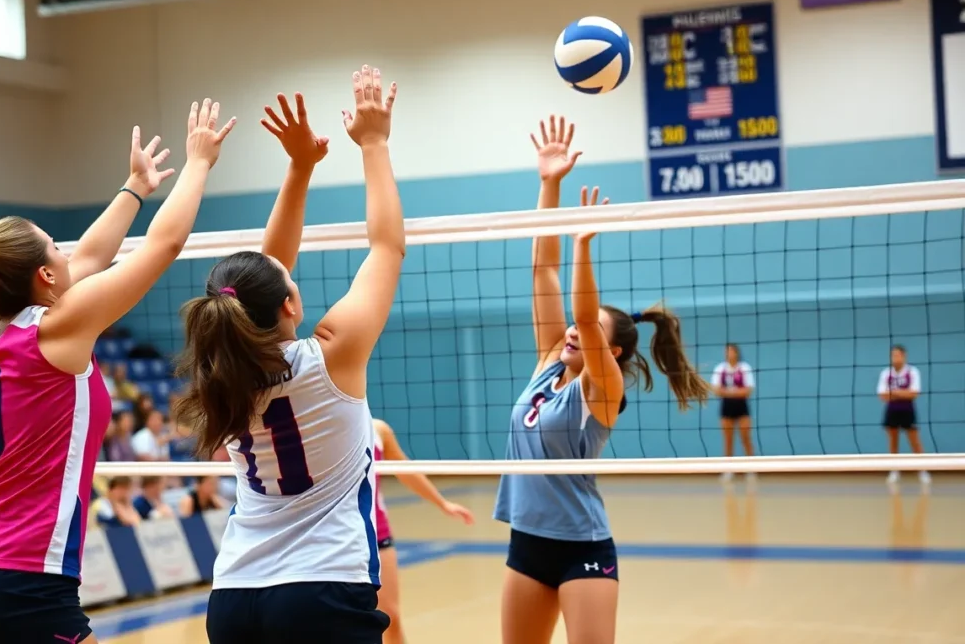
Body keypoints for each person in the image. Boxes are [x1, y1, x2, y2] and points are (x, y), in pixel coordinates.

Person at [0, 97, 235, 644]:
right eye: (57, 248)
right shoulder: (57, 333)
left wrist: (134, 189)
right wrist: (198, 164)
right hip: (20, 576)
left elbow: (86, 264)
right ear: (47, 277)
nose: (69, 254)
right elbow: (164, 244)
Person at [173, 66, 403, 644]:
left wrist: (300, 168)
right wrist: (373, 143)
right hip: (324, 590)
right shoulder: (331, 355)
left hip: (234, 594)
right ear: (291, 306)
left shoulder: (218, 375)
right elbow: (387, 245)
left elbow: (265, 276)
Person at [495, 117, 709, 644]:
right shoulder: (550, 360)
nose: (570, 331)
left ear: (609, 352)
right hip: (527, 542)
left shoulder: (601, 391)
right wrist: (551, 184)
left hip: (581, 548)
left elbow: (586, 319)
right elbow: (543, 269)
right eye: (568, 327)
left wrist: (584, 245)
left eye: (586, 333)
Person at [372, 418, 474, 644]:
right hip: (333, 540)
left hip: (378, 536)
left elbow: (404, 469)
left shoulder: (378, 430)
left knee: (390, 618)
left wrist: (442, 503)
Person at [877, 344, 930, 488]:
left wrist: (894, 392)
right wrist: (903, 393)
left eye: (897, 355)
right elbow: (882, 395)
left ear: (904, 356)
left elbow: (914, 393)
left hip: (908, 411)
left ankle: (922, 470)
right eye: (892, 355)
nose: (895, 358)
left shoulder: (912, 372)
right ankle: (894, 470)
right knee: (893, 441)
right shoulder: (885, 373)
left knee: (915, 441)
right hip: (891, 411)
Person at [711, 343, 755, 483]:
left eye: (731, 351)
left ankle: (751, 470)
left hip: (742, 407)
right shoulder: (720, 369)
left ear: (737, 353)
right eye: (727, 351)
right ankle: (728, 470)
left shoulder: (744, 368)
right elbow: (716, 390)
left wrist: (728, 392)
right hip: (727, 407)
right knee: (728, 440)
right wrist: (736, 392)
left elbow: (747, 391)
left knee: (745, 438)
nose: (729, 353)